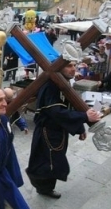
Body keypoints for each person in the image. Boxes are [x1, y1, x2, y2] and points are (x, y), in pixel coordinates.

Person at [27, 62, 100, 199]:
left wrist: (79, 127)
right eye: (69, 65)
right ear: (59, 67)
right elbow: (56, 112)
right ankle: (43, 188)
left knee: (54, 161)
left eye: (74, 66)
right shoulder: (50, 86)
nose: (73, 69)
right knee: (46, 162)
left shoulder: (63, 83)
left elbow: (69, 106)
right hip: (48, 132)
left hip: (58, 131)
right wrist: (84, 116)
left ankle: (46, 187)